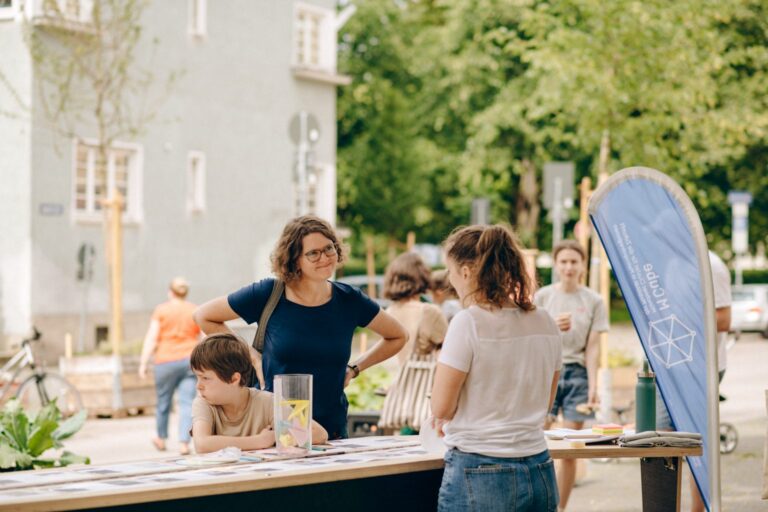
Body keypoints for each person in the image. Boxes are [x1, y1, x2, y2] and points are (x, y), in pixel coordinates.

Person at [194, 215, 407, 439]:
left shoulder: (349, 300)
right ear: (294, 259)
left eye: (329, 248)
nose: (324, 258)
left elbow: (398, 336)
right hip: (275, 428)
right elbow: (204, 316)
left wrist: (354, 368)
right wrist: (251, 357)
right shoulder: (269, 293)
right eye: (313, 253)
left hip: (331, 427)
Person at [431, 224, 562, 511]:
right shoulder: (546, 322)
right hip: (539, 467)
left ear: (466, 272)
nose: (450, 281)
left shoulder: (468, 323)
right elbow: (546, 401)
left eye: (450, 272)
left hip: (480, 468)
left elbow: (441, 408)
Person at [534, 239, 609, 511]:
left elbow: (593, 347)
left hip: (578, 374)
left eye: (573, 262)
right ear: (555, 264)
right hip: (546, 372)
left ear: (582, 266)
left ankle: (560, 508)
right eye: (563, 261)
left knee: (571, 450)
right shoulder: (542, 298)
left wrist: (593, 384)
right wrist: (551, 326)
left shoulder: (594, 300)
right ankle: (538, 502)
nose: (568, 267)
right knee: (536, 443)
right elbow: (532, 339)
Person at [656, 250, 731, 512]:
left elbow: (723, 319)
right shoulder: (671, 261)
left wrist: (682, 320)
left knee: (695, 440)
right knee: (661, 438)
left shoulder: (712, 264)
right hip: (669, 363)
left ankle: (696, 509)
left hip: (702, 367)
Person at [190, 333, 328, 453]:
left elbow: (319, 434)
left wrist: (278, 437)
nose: (198, 386)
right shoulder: (204, 403)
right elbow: (202, 444)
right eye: (197, 377)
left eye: (205, 378)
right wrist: (259, 441)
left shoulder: (267, 402)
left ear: (234, 379)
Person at [378, 252, 448, 434]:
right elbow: (450, 353)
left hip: (400, 396)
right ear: (422, 276)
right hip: (425, 399)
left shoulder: (388, 312)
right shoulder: (429, 312)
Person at [139, 277, 202, 455]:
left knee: (163, 402)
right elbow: (203, 336)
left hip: (165, 361)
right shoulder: (194, 310)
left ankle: (160, 438)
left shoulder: (162, 310)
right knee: (187, 403)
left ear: (170, 292)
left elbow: (152, 337)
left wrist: (144, 362)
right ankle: (184, 443)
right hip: (189, 360)